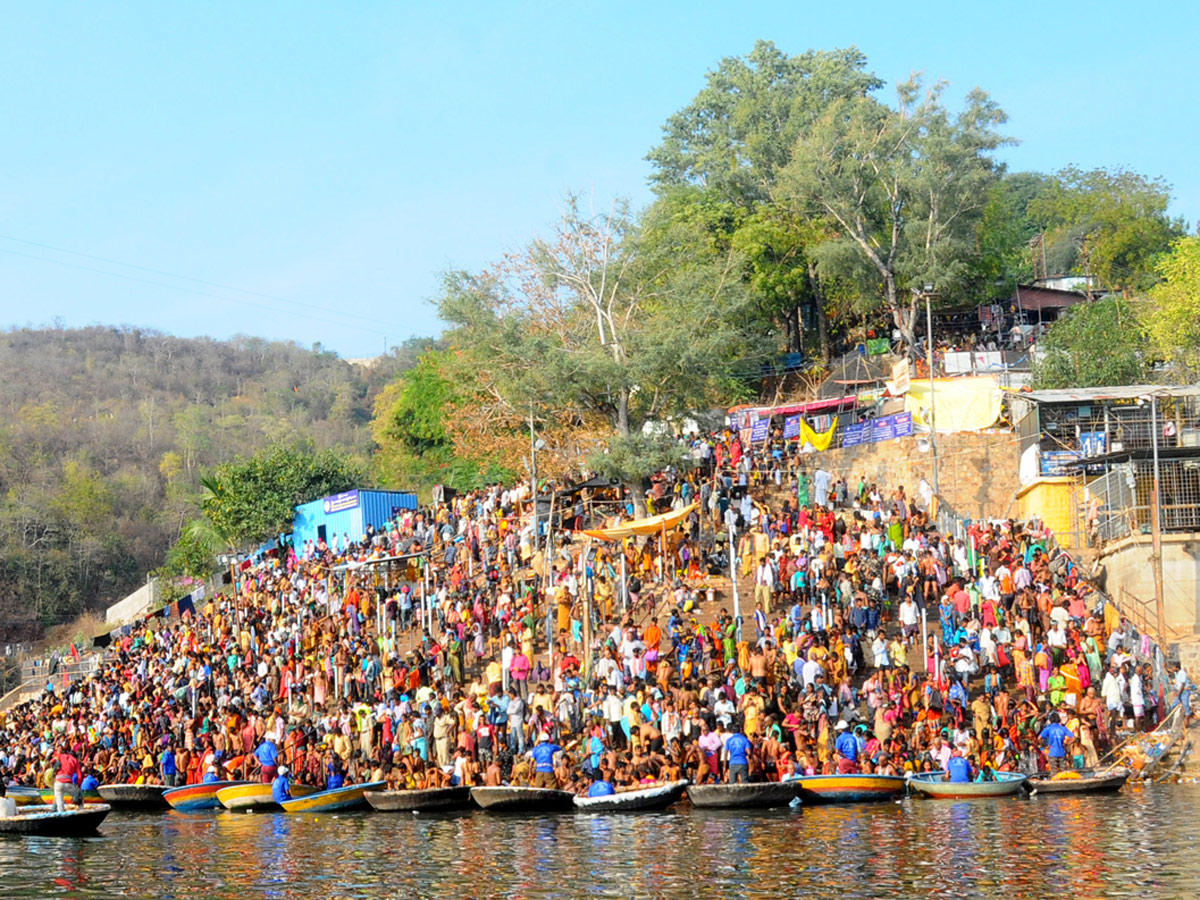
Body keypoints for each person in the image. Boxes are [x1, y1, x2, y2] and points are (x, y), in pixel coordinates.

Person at [53, 743, 82, 812]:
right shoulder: (75, 760)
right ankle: (81, 810)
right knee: (79, 798)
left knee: (60, 805)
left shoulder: (59, 756)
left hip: (58, 784)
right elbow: (80, 776)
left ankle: (60, 814)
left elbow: (53, 761)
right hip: (68, 784)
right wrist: (78, 785)